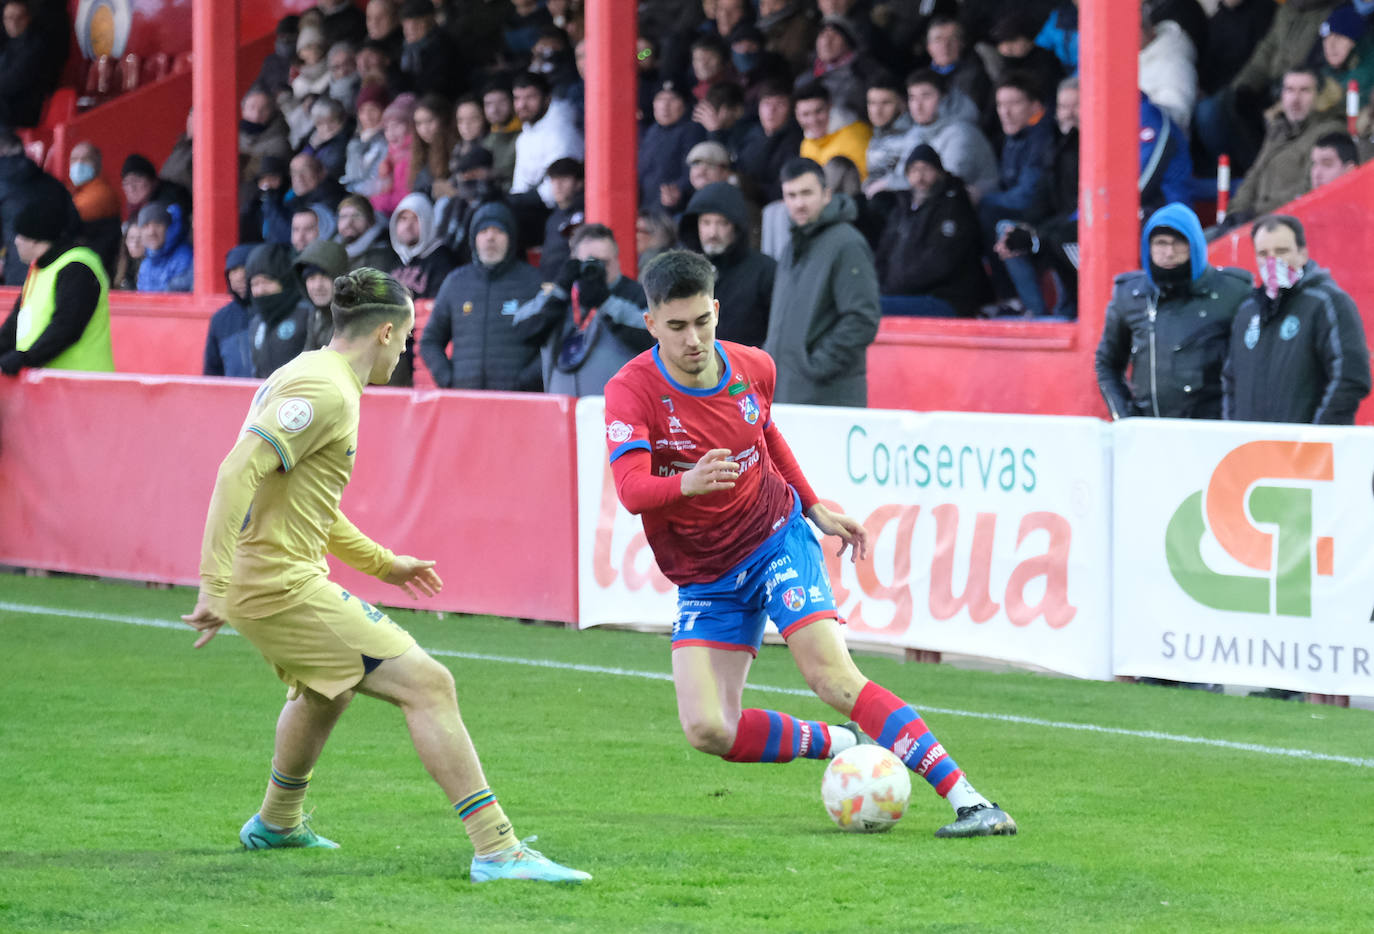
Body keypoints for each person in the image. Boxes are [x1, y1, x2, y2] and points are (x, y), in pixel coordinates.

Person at [181, 267, 589, 884]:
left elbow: (306, 500)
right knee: (428, 683)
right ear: (387, 331)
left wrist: (382, 562)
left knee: (327, 687)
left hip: (269, 577)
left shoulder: (307, 373)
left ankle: (277, 822)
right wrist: (210, 583)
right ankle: (497, 849)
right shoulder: (326, 390)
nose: (404, 354)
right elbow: (236, 473)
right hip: (274, 582)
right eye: (406, 340)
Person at [601, 249, 1017, 838]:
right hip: (706, 574)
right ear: (651, 325)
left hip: (774, 540)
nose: (692, 339)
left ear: (716, 310)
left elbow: (764, 431)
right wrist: (685, 483)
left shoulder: (753, 367)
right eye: (676, 327)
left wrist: (814, 505)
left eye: (702, 322)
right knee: (708, 730)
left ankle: (973, 803)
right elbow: (631, 488)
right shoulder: (631, 391)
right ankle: (840, 742)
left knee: (833, 679)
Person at [1096, 203, 1252, 420]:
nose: (1169, 253)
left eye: (1179, 243)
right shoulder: (1130, 294)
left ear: (1195, 245)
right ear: (1148, 247)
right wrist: (1124, 416)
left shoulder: (1233, 291)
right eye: (1160, 243)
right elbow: (1107, 363)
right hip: (1150, 430)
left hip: (1212, 430)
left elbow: (1253, 363)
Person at [1222, 213, 1371, 425]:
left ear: (1302, 254)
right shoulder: (1248, 310)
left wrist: (1316, 437)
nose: (1272, 260)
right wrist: (1234, 432)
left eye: (1282, 251)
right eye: (1263, 253)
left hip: (1307, 452)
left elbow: (1351, 376)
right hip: (1251, 450)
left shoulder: (1327, 303)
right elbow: (1230, 380)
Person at [764, 158, 879, 407]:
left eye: (807, 193)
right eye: (791, 195)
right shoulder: (791, 247)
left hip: (827, 399)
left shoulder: (847, 244)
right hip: (786, 395)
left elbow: (862, 319)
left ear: (826, 194)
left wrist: (815, 366)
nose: (799, 203)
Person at [511, 222, 650, 396]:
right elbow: (521, 328)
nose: (598, 269)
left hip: (616, 414)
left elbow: (656, 335)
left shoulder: (637, 294)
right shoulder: (561, 295)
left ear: (617, 260)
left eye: (604, 263)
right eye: (589, 263)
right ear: (574, 262)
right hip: (563, 411)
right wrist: (559, 291)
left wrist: (607, 303)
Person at [420, 200, 544, 390]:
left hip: (519, 403)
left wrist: (526, 382)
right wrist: (449, 380)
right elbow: (430, 341)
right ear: (474, 239)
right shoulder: (456, 282)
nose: (490, 238)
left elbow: (552, 345)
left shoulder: (533, 282)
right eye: (483, 231)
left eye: (499, 231)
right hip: (467, 403)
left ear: (511, 238)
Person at [875, 146, 990, 318]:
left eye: (926, 169)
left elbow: (940, 262)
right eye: (914, 170)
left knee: (871, 308)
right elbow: (883, 253)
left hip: (946, 299)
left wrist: (894, 287)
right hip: (902, 295)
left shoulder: (954, 206)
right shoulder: (902, 207)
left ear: (940, 172)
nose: (920, 177)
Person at [0, 201, 113, 375]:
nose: (16, 242)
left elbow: (67, 326)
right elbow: (15, 324)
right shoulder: (40, 268)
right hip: (49, 387)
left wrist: (25, 358)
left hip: (83, 386)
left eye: (21, 236)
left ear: (37, 239)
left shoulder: (77, 267)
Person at [677, 180, 774, 346]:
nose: (713, 233)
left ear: (736, 227)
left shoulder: (765, 270)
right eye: (706, 222)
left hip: (748, 368)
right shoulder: (681, 272)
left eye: (722, 223)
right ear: (696, 226)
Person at [510, 72, 583, 207]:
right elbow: (519, 186)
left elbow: (556, 191)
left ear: (547, 99)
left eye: (530, 97)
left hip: (559, 206)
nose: (521, 105)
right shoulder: (523, 137)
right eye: (517, 98)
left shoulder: (562, 132)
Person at [245, 242, 310, 378]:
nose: (260, 290)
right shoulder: (257, 322)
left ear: (283, 281)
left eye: (267, 281)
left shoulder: (307, 315)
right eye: (254, 284)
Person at [388, 191, 456, 300]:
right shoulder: (396, 257)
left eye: (415, 219)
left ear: (427, 222)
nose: (408, 226)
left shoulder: (442, 260)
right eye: (403, 218)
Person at [795, 82, 871, 179]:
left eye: (818, 111)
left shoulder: (854, 136)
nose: (813, 120)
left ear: (830, 106)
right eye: (805, 114)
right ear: (797, 115)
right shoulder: (806, 144)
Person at [204, 244, 257, 378]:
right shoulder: (219, 319)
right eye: (233, 271)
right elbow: (212, 372)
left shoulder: (272, 311)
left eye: (244, 268)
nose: (239, 277)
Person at [294, 238, 349, 350]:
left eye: (325, 277)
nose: (317, 286)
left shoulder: (353, 317)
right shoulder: (316, 314)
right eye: (311, 278)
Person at [538, 157, 584, 281]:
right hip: (547, 283)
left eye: (564, 179)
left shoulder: (586, 213)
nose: (557, 185)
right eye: (553, 179)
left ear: (579, 183)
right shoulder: (552, 218)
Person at [136, 202, 194, 293]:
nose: (151, 232)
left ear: (169, 228)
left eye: (158, 225)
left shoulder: (184, 257)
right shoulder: (145, 265)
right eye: (146, 226)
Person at [334, 195, 397, 272]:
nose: (348, 223)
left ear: (370, 221)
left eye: (357, 216)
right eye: (343, 216)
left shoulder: (381, 253)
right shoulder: (333, 250)